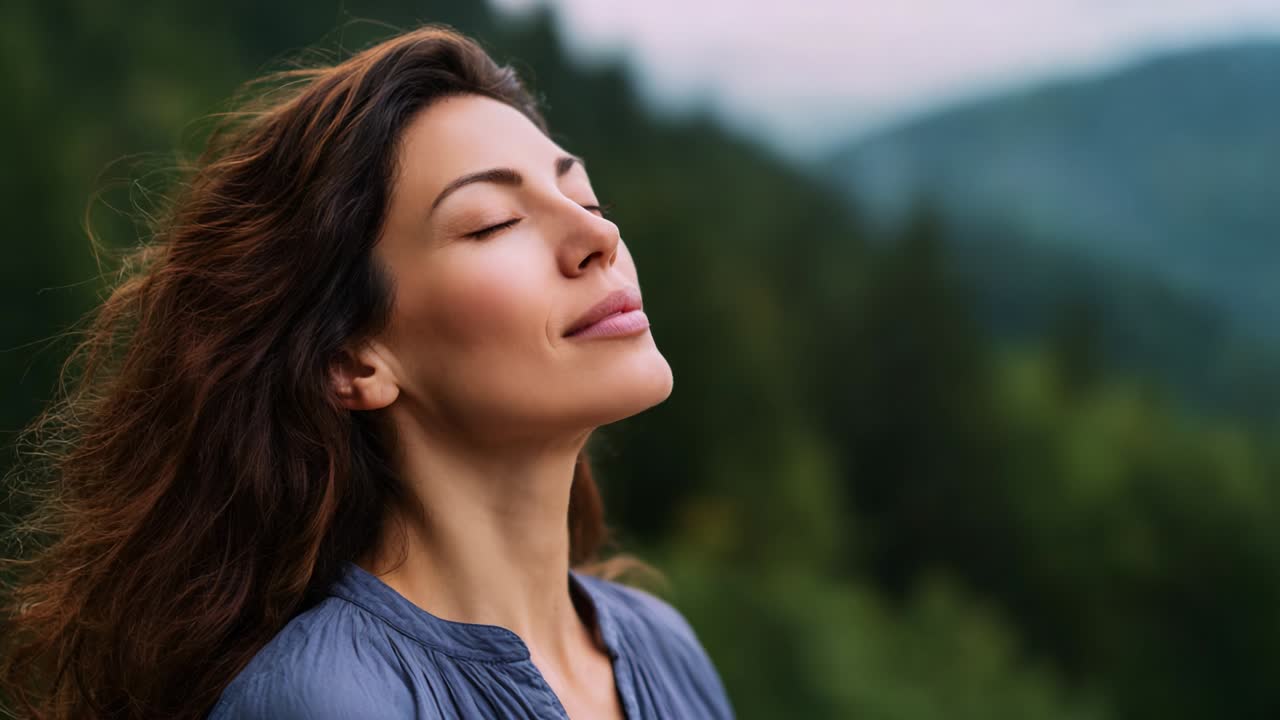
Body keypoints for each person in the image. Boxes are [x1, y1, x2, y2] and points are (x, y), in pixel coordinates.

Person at [0, 24, 735, 720]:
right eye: (491, 223)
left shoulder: (661, 647)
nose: (599, 235)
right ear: (353, 359)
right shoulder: (325, 699)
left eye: (584, 197)